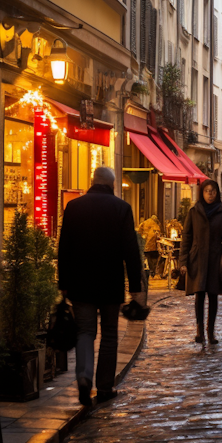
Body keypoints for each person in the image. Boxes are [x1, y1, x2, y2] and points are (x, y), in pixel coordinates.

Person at [58, 166, 142, 407]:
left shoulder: (74, 207)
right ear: (112, 184)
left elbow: (64, 248)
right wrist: (136, 286)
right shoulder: (121, 208)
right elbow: (131, 250)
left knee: (85, 332)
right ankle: (105, 387)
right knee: (109, 336)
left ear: (92, 181)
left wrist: (63, 282)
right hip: (109, 284)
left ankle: (84, 378)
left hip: (81, 283)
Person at [179, 179, 222, 344]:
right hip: (197, 258)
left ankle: (210, 332)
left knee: (213, 295)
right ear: (202, 193)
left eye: (213, 191)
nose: (210, 194)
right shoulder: (194, 211)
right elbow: (186, 237)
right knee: (199, 295)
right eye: (207, 191)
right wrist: (183, 261)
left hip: (215, 258)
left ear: (217, 193)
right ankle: (199, 331)